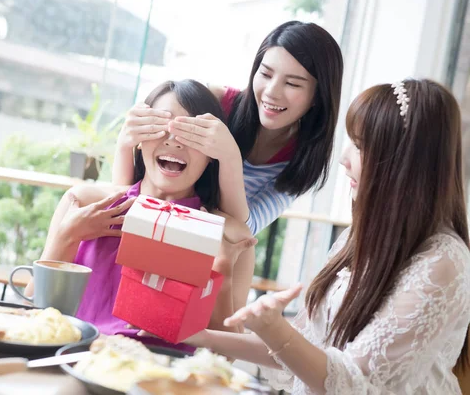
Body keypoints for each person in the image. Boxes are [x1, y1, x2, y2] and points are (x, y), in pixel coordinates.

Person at [160, 79, 470, 393]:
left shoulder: (444, 262)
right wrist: (197, 336)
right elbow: (302, 350)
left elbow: (356, 384)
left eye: (360, 146)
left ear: (407, 164)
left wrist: (276, 329)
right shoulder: (356, 238)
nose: (344, 159)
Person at [25, 79, 257, 348]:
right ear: (139, 138)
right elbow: (31, 308)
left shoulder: (230, 236)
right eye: (162, 127)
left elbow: (227, 355)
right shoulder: (84, 202)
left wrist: (222, 274)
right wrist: (67, 237)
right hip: (73, 357)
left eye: (191, 133)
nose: (175, 142)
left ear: (211, 154)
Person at [112, 21, 344, 235]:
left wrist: (229, 157)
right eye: (265, 74)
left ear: (318, 96)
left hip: (205, 248)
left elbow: (244, 232)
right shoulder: (214, 102)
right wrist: (125, 144)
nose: (272, 91)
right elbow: (134, 187)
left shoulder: (302, 160)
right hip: (144, 223)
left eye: (292, 83)